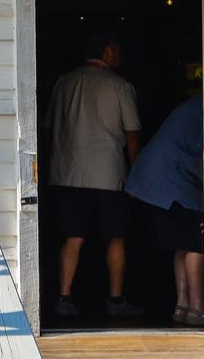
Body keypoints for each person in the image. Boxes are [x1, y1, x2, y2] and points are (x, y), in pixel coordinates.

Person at [42, 27, 143, 319]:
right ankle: (115, 300)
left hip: (66, 173)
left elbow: (47, 129)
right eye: (118, 50)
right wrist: (136, 173)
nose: (120, 56)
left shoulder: (63, 83)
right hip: (108, 173)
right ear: (108, 51)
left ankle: (64, 297)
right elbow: (133, 134)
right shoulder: (120, 86)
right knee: (116, 237)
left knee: (73, 236)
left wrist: (50, 162)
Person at [124, 91, 204, 326]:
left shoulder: (193, 105)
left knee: (182, 245)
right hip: (170, 178)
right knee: (196, 243)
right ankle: (198, 309)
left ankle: (182, 307)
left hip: (154, 176)